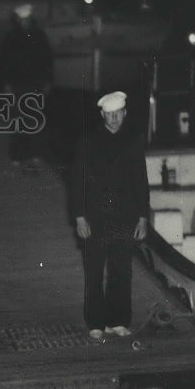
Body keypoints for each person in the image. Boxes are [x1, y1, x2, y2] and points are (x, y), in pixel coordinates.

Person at [70, 91, 149, 340]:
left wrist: (143, 217)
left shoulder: (133, 140)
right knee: (94, 271)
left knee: (121, 271)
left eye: (118, 114)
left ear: (125, 113)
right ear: (102, 114)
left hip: (124, 217)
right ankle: (95, 321)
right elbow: (77, 182)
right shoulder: (88, 141)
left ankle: (118, 320)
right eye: (109, 114)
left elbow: (141, 181)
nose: (114, 119)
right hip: (95, 217)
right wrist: (79, 217)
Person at [0, 2, 53, 169]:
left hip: (36, 82)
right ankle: (17, 155)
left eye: (28, 19)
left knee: (36, 118)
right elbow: (4, 62)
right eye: (22, 19)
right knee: (17, 119)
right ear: (17, 20)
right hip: (17, 84)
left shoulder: (40, 35)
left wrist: (49, 81)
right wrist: (6, 83)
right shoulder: (10, 37)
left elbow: (47, 60)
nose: (25, 22)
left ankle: (35, 153)